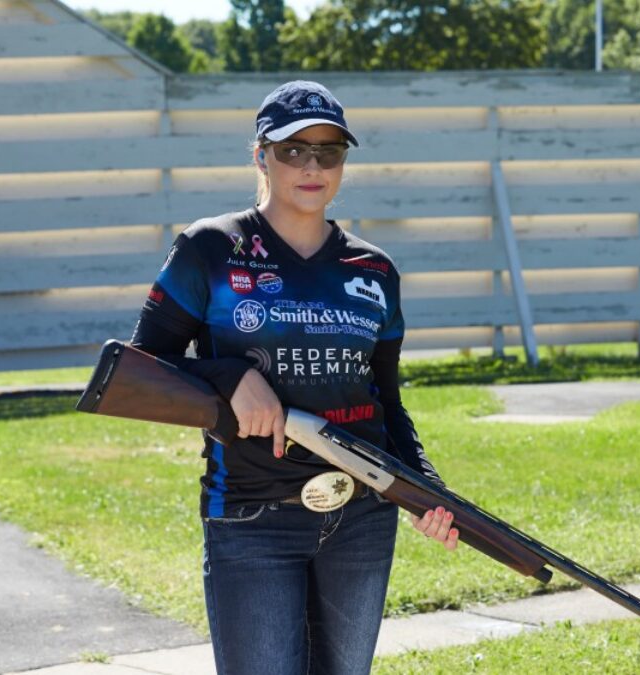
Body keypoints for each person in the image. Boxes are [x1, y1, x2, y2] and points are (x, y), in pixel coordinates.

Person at [129, 80, 459, 675]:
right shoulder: (210, 249)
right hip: (254, 518)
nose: (312, 166)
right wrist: (228, 375)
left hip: (362, 517)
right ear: (261, 156)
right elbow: (138, 371)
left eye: (328, 151)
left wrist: (424, 488)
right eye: (293, 150)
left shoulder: (375, 270)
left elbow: (385, 398)